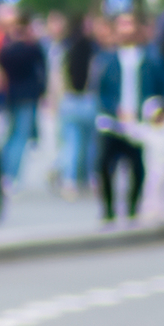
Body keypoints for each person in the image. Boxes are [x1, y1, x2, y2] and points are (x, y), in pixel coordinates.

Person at [92, 10, 164, 222]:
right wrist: (113, 108)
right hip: (113, 123)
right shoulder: (107, 60)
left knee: (138, 167)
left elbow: (162, 87)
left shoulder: (151, 59)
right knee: (104, 164)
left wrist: (161, 109)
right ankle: (108, 209)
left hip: (140, 122)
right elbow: (100, 91)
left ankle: (132, 207)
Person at [0, 10, 48, 190]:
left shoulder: (6, 50)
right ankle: (11, 175)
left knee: (9, 135)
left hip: (10, 96)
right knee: (20, 137)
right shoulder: (32, 49)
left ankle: (3, 173)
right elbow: (42, 72)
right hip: (28, 97)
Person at [56, 11, 102, 192]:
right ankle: (90, 177)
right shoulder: (93, 49)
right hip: (88, 99)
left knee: (71, 142)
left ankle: (70, 179)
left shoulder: (66, 48)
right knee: (90, 143)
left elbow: (60, 75)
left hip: (70, 99)